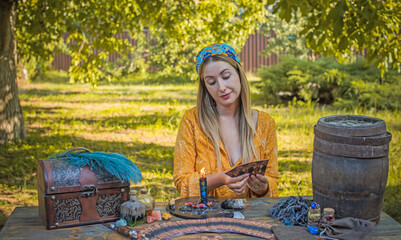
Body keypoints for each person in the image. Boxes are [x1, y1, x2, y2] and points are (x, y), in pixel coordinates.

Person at [173, 43, 278, 199]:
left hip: (251, 219)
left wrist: (263, 187)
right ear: (205, 87)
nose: (221, 87)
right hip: (206, 218)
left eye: (226, 76)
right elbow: (182, 181)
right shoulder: (192, 121)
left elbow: (272, 180)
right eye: (212, 82)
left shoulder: (265, 123)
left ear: (239, 74)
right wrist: (220, 179)